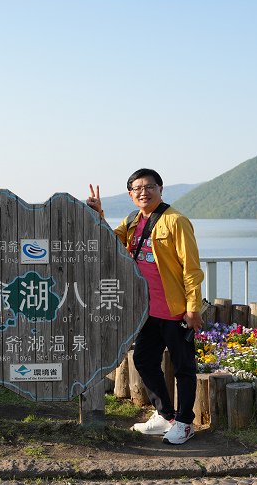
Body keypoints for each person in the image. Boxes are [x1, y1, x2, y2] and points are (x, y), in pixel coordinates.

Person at [86, 170, 203, 445]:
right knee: (144, 360)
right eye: (137, 188)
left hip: (175, 311)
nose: (143, 192)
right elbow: (111, 244)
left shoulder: (176, 221)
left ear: (161, 189)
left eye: (149, 186)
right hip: (147, 311)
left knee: (184, 367)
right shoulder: (132, 221)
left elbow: (192, 269)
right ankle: (165, 415)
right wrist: (99, 214)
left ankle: (186, 423)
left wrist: (193, 308)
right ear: (130, 194)